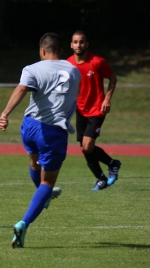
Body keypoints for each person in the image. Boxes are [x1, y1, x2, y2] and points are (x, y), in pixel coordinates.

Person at [0, 32, 81, 248]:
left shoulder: (32, 68)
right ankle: (24, 222)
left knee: (34, 163)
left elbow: (22, 89)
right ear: (61, 52)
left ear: (42, 51)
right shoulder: (74, 70)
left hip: (30, 126)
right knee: (48, 182)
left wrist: (5, 114)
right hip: (53, 132)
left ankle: (43, 197)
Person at [67, 30, 121, 190]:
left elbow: (112, 78)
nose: (78, 45)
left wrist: (107, 99)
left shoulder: (97, 62)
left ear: (86, 44)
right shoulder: (68, 63)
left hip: (97, 109)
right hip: (80, 110)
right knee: (84, 148)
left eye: (81, 42)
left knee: (88, 146)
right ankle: (101, 178)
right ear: (71, 45)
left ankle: (113, 163)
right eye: (75, 42)